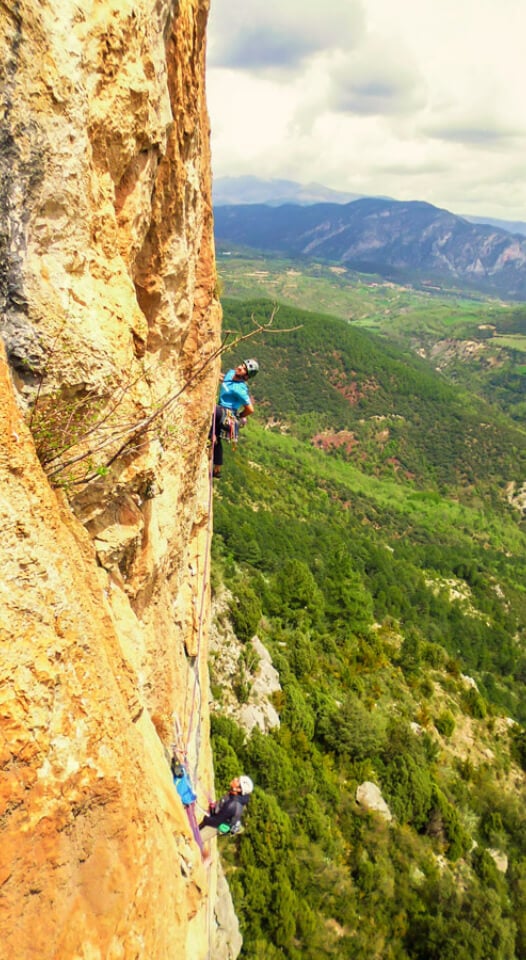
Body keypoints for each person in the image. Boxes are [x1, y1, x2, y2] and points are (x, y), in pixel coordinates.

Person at [210, 359, 259, 478]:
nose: (240, 367)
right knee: (215, 438)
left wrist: (240, 415)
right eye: (242, 365)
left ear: (246, 376)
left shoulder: (240, 389)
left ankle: (212, 438)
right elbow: (224, 379)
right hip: (220, 409)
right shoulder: (231, 373)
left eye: (244, 369)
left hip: (228, 413)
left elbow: (250, 409)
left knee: (213, 410)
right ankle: (217, 469)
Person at [199, 775, 254, 842]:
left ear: (238, 789)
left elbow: (216, 822)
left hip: (216, 826)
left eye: (237, 781)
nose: (235, 778)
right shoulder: (234, 794)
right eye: (237, 778)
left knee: (195, 839)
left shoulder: (232, 805)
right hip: (217, 817)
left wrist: (205, 819)